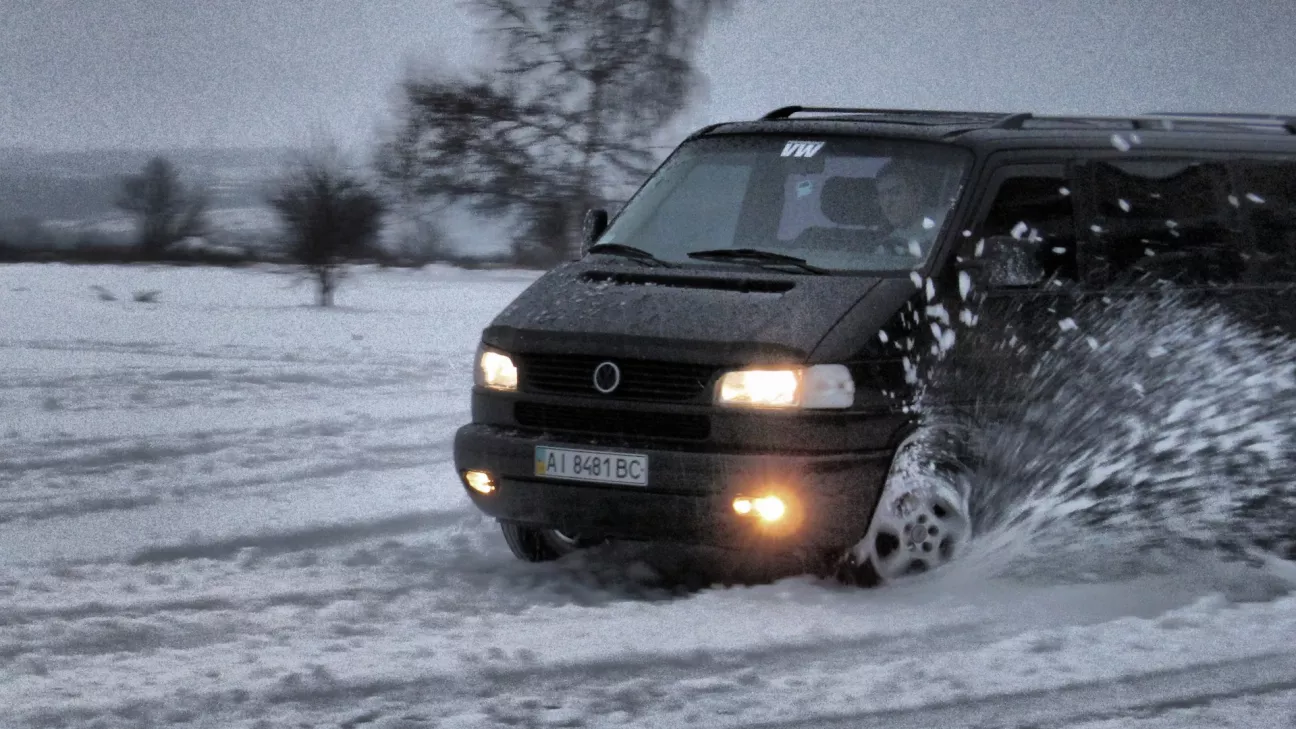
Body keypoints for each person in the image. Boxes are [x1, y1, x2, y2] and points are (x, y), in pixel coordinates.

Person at [874, 158, 945, 257]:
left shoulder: (948, 223)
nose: (888, 202)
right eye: (882, 195)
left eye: (895, 192)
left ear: (917, 193)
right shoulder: (889, 246)